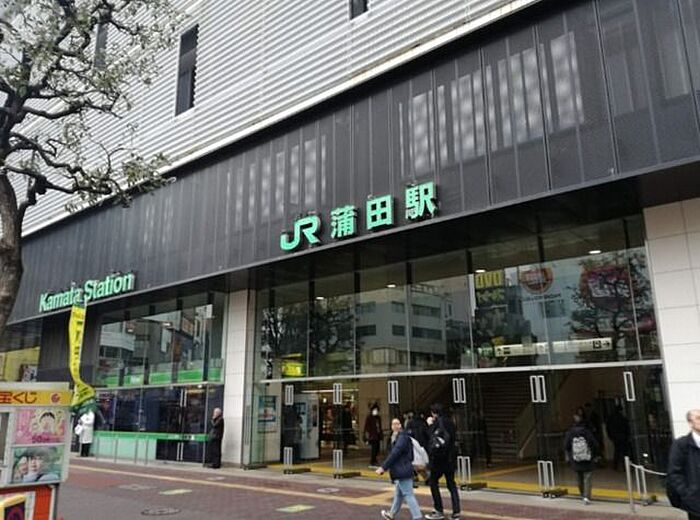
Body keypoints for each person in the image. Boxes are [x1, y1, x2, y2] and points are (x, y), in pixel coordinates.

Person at [375, 418, 424, 520]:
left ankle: (417, 516)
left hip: (402, 469)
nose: (395, 426)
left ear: (401, 425)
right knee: (399, 494)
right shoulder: (398, 437)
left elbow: (395, 453)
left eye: (397, 423)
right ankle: (391, 513)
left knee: (408, 494)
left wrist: (383, 467)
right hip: (403, 468)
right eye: (393, 424)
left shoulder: (402, 438)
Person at [426, 404, 460, 520]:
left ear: (434, 413)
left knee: (433, 482)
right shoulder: (451, 423)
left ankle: (438, 509)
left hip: (438, 460)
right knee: (451, 485)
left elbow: (431, 439)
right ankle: (456, 511)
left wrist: (430, 425)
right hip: (450, 459)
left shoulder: (436, 423)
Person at [667, 409, 700, 520]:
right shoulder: (681, 445)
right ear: (690, 423)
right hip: (696, 503)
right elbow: (674, 473)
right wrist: (687, 494)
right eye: (698, 418)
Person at [564, 413, 599, 505]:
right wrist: (594, 455)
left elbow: (566, 446)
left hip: (576, 459)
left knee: (579, 477)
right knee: (587, 477)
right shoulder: (587, 432)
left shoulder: (570, 433)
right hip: (587, 458)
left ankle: (582, 494)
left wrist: (570, 456)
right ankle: (586, 497)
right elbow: (594, 444)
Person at [606, 405, 631, 471]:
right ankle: (625, 466)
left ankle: (615, 466)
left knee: (617, 451)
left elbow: (608, 428)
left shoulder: (611, 418)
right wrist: (628, 436)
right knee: (624, 452)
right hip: (623, 436)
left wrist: (610, 436)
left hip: (615, 437)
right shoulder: (623, 418)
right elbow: (627, 428)